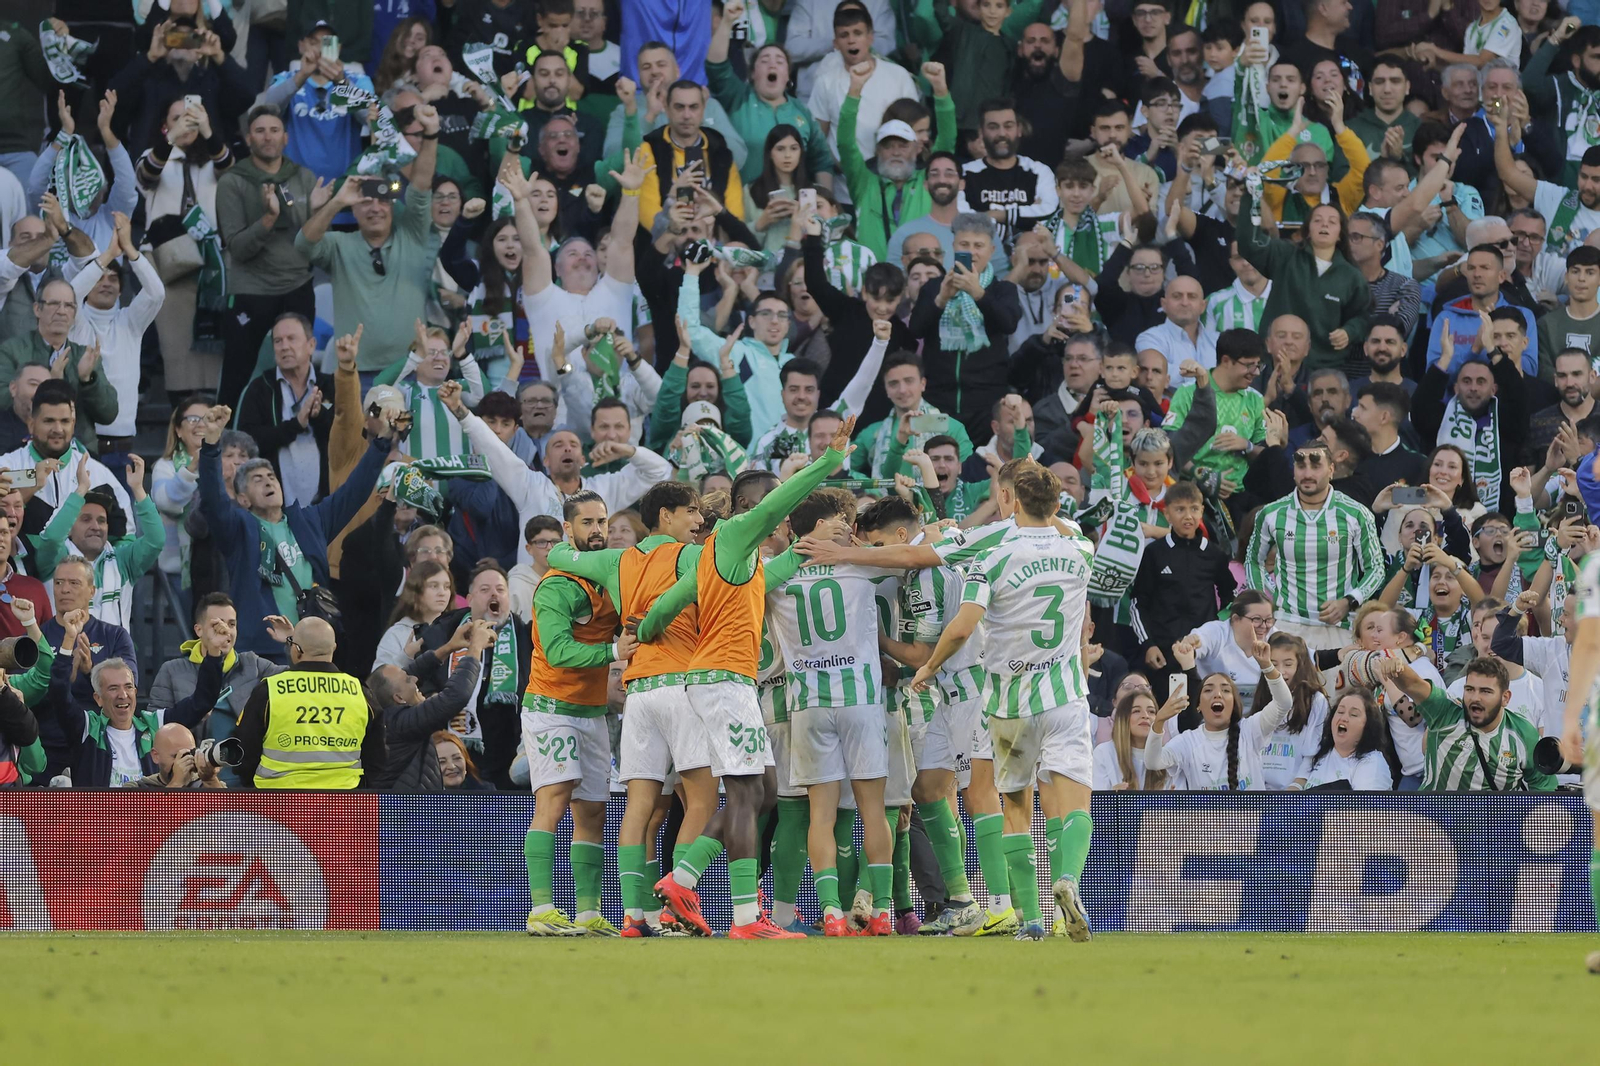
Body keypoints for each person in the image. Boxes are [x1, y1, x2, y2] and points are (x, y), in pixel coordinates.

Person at [636, 418, 857, 939]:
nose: (779, 518)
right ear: (748, 507)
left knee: (765, 790)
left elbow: (670, 602)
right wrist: (828, 461)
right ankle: (743, 918)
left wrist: (643, 629)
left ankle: (682, 879)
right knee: (744, 793)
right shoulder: (736, 535)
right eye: (770, 504)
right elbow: (774, 511)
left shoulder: (730, 560)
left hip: (722, 681)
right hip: (723, 682)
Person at [908, 462, 1097, 941]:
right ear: (1056, 504)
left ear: (1010, 498)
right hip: (1064, 696)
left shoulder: (991, 554)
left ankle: (1030, 921)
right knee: (1074, 804)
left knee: (1016, 808)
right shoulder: (1081, 548)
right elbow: (1059, 525)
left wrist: (928, 667)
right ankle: (1068, 882)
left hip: (1009, 702)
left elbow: (963, 627)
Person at [195, 396, 394, 659]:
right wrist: (210, 446)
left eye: (271, 477)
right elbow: (214, 501)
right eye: (257, 479)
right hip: (263, 651)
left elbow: (353, 493)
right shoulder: (239, 528)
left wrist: (381, 443)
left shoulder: (310, 521)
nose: (268, 483)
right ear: (243, 499)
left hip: (312, 649)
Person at [519, 491, 625, 937]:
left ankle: (587, 911)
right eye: (587, 523)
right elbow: (559, 651)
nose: (597, 530)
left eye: (602, 521)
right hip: (551, 707)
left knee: (593, 810)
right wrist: (616, 650)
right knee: (555, 797)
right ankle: (541, 908)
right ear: (568, 530)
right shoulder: (558, 586)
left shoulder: (607, 577)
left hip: (591, 710)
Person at [294, 101, 440, 375]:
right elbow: (303, 244)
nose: (375, 208)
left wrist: (430, 134)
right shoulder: (339, 245)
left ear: (393, 205)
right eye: (365, 201)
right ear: (354, 209)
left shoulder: (412, 234)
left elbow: (421, 183)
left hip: (411, 372)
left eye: (383, 200)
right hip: (357, 374)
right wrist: (336, 202)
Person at [214, 105, 318, 410]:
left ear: (286, 137)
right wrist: (268, 220)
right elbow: (238, 247)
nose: (267, 137)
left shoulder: (303, 177)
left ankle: (298, 429)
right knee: (237, 374)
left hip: (298, 286)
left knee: (299, 369)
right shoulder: (233, 182)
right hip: (251, 291)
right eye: (260, 131)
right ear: (248, 138)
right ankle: (222, 446)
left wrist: (322, 210)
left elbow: (314, 238)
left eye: (274, 130)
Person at [1246, 439, 1385, 650]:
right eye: (1301, 466)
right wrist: (1268, 600)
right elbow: (1253, 561)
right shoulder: (1271, 514)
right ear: (1294, 470)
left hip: (1339, 628)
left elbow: (1376, 569)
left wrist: (1349, 601)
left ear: (1331, 469)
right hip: (1287, 626)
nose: (1307, 473)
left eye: (1316, 465)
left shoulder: (1356, 513)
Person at [49, 633, 222, 789]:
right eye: (113, 688)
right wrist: (69, 639)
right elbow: (59, 694)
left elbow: (201, 702)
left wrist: (213, 654)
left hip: (149, 821)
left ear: (135, 692)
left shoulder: (156, 725)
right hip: (100, 821)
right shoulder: (87, 728)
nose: (123, 695)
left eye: (128, 687)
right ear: (98, 699)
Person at [908, 213, 1022, 441]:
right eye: (964, 245)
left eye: (978, 245)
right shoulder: (933, 287)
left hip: (986, 403)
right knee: (934, 463)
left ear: (991, 250)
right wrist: (941, 298)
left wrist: (978, 294)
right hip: (936, 400)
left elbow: (1008, 323)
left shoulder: (1003, 289)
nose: (971, 252)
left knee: (982, 465)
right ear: (953, 247)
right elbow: (915, 330)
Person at [1236, 184, 1370, 375]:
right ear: (1308, 230)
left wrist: (1350, 331)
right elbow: (1249, 243)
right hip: (1274, 365)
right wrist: (1252, 195)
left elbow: (1363, 317)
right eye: (1318, 220)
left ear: (1341, 234)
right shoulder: (1285, 256)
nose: (1324, 225)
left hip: (1324, 370)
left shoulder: (1352, 276)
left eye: (1332, 222)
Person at [235, 617, 383, 788]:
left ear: (297, 650)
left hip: (278, 804)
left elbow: (244, 752)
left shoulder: (269, 691)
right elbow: (377, 758)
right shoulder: (360, 693)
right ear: (333, 648)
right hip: (342, 805)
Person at [1377, 654, 1555, 791]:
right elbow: (1414, 684)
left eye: (1485, 691)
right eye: (1469, 689)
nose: (1475, 698)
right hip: (1436, 828)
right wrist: (1398, 667)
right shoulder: (1445, 712)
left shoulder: (1523, 734)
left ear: (1505, 698)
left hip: (1493, 832)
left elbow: (1544, 787)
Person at [31, 455, 162, 630]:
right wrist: (82, 488)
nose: (95, 526)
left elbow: (156, 540)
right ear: (69, 527)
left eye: (101, 521)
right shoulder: (56, 560)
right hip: (65, 654)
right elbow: (52, 538)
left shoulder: (122, 560)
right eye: (86, 519)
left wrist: (138, 490)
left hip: (114, 656)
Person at [1146, 636, 1292, 791]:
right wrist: (1159, 720)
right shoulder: (1188, 741)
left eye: (1225, 690)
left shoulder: (1251, 730)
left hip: (1252, 815)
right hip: (1205, 816)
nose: (1217, 694)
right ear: (1199, 706)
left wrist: (1267, 666)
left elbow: (1284, 703)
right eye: (1208, 690)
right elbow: (1153, 762)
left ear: (1234, 704)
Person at [0, 279, 120, 455]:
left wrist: (88, 381)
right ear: (37, 309)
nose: (62, 311)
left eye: (69, 306)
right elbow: (3, 399)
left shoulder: (83, 355)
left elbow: (109, 414)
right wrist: (50, 383)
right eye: (54, 303)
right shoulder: (12, 350)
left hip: (79, 454)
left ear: (74, 314)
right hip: (21, 449)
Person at [369, 619, 490, 792]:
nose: (415, 678)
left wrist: (449, 648)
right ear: (399, 698)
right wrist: (475, 648)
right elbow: (455, 696)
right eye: (408, 680)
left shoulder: (386, 713)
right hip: (405, 815)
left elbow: (409, 674)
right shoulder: (402, 722)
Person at [236, 314, 343, 506]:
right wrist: (295, 425)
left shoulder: (330, 386)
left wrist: (319, 416)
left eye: (291, 339)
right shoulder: (260, 389)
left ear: (311, 344)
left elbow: (347, 436)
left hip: (327, 505)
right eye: (278, 341)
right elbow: (248, 443)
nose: (284, 346)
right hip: (275, 509)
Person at [253, 23, 374, 182]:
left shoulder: (358, 81)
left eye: (326, 42)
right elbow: (267, 109)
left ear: (338, 48)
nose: (319, 49)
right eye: (313, 42)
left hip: (344, 187)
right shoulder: (286, 79)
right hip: (296, 188)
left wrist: (342, 83)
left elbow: (372, 117)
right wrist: (301, 76)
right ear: (301, 46)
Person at [0, 378, 130, 520]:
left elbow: (125, 536)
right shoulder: (7, 468)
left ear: (73, 424)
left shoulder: (98, 474)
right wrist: (31, 488)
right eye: (49, 421)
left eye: (65, 421)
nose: (58, 429)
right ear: (31, 424)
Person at [1292, 690, 1397, 789]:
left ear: (1369, 725)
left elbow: (1363, 807)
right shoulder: (1319, 750)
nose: (1343, 718)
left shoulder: (1373, 763)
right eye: (1341, 712)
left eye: (1353, 714)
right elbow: (1298, 784)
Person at [374, 560, 456, 671]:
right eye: (433, 586)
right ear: (416, 591)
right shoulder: (397, 634)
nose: (442, 592)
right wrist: (406, 655)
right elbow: (379, 681)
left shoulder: (457, 630)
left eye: (447, 587)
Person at [1092, 688, 1180, 790]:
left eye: (1151, 711)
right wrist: (1112, 798)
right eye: (1136, 711)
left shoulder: (1166, 756)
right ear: (1123, 718)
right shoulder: (1103, 753)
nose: (1145, 716)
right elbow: (1093, 801)